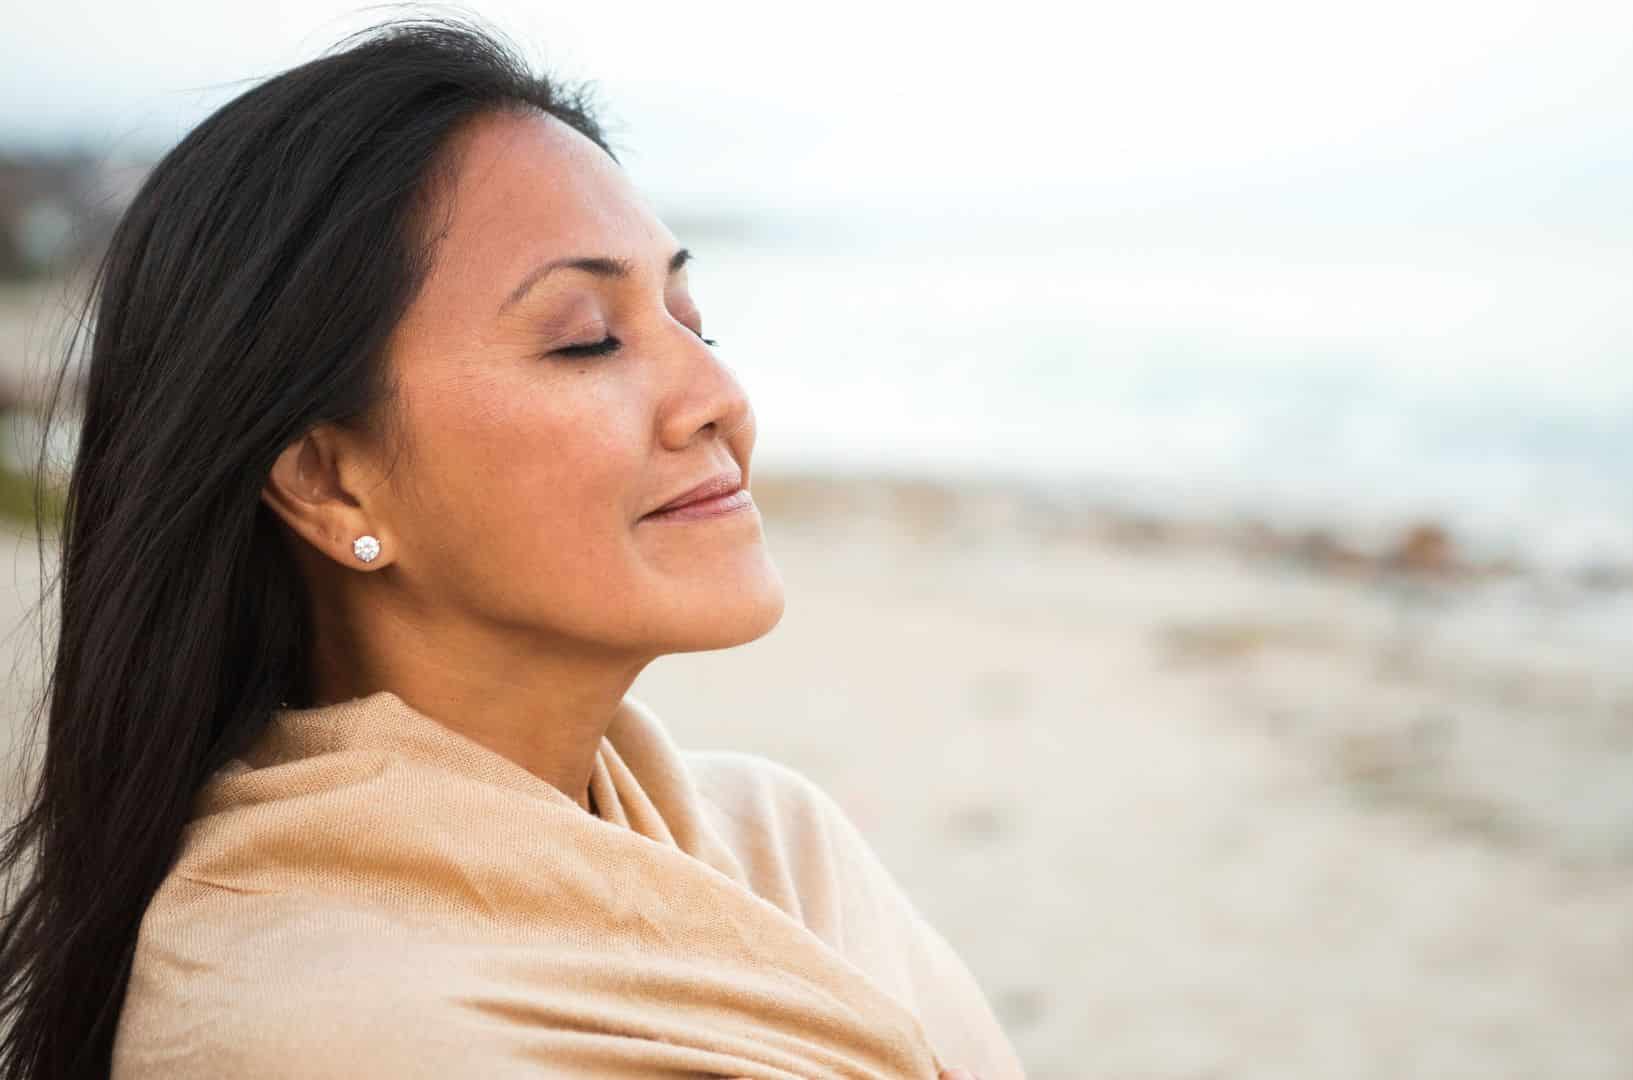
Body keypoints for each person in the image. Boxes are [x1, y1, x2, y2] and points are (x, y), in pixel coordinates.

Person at [0, 15, 1024, 1079]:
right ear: (328, 479)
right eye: (587, 337)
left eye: (692, 319)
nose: (718, 397)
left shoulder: (777, 846)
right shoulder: (320, 1031)